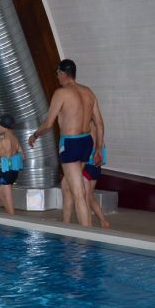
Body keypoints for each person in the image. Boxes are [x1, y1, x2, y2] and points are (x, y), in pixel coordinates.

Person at [28, 59, 104, 228]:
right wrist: (98, 148)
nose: (57, 77)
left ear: (63, 73)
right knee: (66, 185)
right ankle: (65, 225)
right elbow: (99, 123)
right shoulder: (88, 92)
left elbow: (48, 124)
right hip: (86, 142)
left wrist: (34, 135)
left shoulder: (61, 93)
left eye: (57, 74)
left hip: (70, 144)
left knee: (79, 193)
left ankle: (86, 235)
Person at [0, 114, 25, 215]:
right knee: (0, 195)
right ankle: (10, 216)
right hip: (14, 171)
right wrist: (10, 155)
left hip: (6, 172)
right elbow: (23, 156)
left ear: (3, 126)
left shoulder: (2, 141)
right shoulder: (15, 139)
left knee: (7, 197)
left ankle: (12, 218)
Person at [82, 144, 111, 229]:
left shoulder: (87, 135)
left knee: (86, 198)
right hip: (96, 168)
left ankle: (88, 224)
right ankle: (103, 221)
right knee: (90, 196)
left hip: (86, 166)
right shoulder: (100, 138)